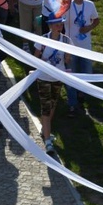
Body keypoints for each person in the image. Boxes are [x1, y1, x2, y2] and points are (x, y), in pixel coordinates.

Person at [34, 16, 71, 154]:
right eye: (56, 24)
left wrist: (68, 58)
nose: (59, 27)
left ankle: (45, 129)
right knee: (46, 107)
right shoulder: (43, 39)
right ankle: (48, 141)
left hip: (57, 77)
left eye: (60, 24)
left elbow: (68, 59)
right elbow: (35, 57)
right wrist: (43, 61)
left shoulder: (66, 40)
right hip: (43, 77)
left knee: (53, 104)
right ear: (50, 26)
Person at [65, 0, 99, 117]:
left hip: (85, 46)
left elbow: (96, 20)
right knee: (71, 76)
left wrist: (89, 28)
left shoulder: (90, 5)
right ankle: (72, 104)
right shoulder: (67, 7)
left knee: (87, 72)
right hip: (70, 46)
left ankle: (81, 94)